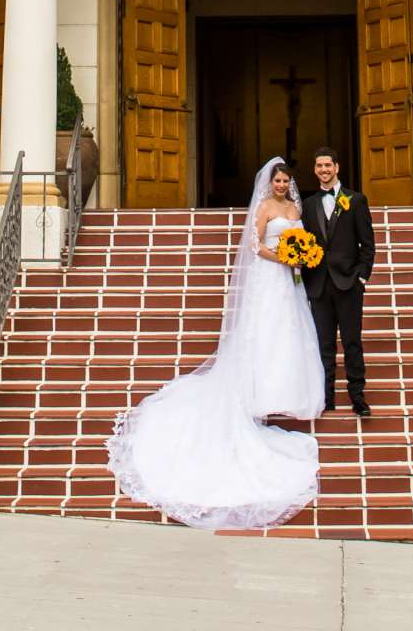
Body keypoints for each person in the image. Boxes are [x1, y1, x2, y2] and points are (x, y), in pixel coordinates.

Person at [107, 156, 325, 529]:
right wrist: (286, 257)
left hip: (291, 285)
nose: (282, 186)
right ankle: (256, 393)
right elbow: (256, 245)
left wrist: (300, 258)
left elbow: (302, 238)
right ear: (267, 183)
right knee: (264, 335)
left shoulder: (294, 206)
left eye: (286, 180)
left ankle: (286, 392)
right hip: (270, 279)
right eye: (277, 180)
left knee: (289, 335)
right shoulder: (265, 208)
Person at [299, 146, 375, 416]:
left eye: (328, 165)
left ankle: (357, 397)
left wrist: (361, 277)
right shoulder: (308, 205)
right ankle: (326, 398)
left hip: (348, 283)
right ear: (315, 169)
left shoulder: (355, 200)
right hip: (319, 284)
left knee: (352, 342)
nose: (324, 170)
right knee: (324, 345)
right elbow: (304, 243)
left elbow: (368, 245)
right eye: (319, 166)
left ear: (337, 167)